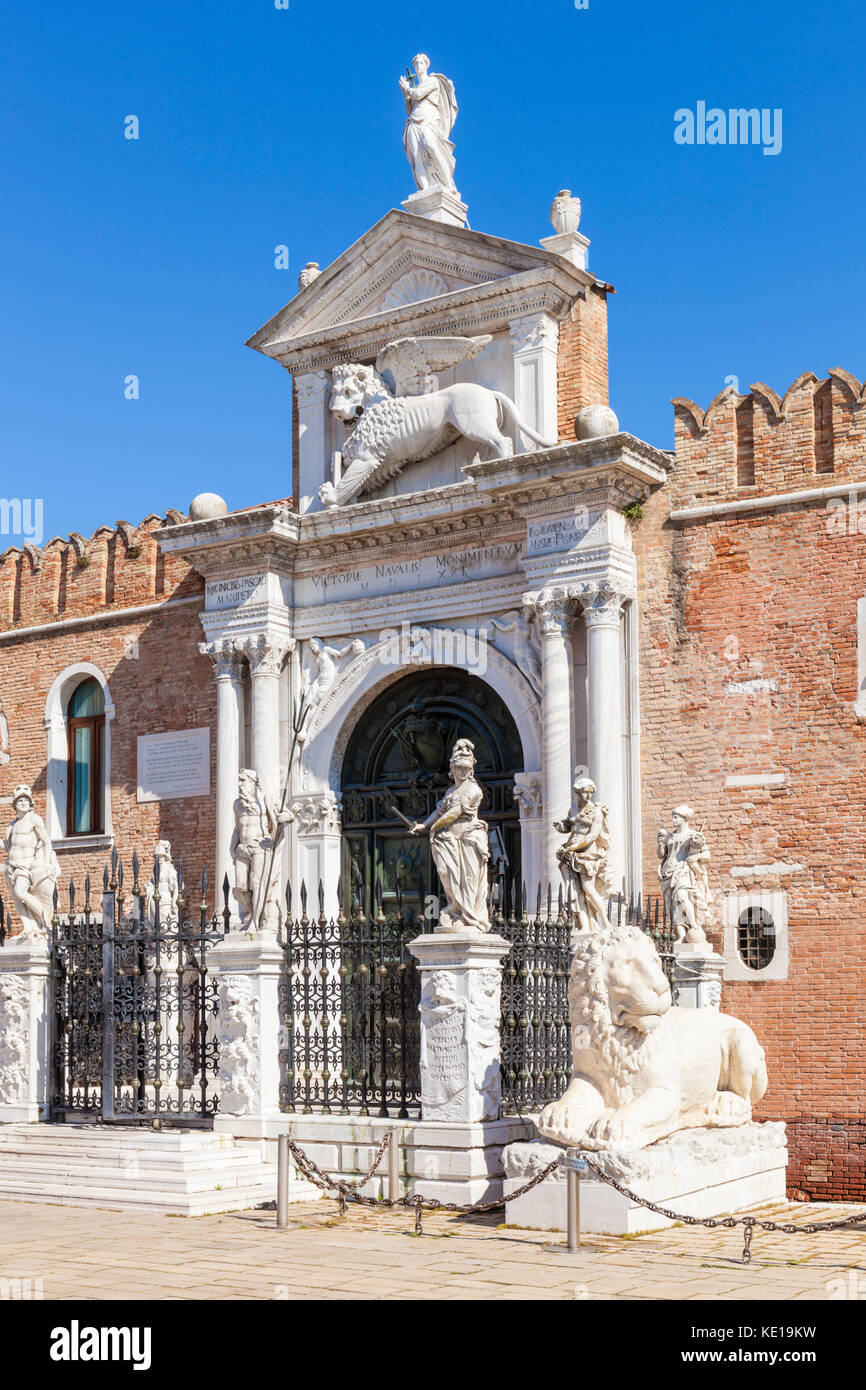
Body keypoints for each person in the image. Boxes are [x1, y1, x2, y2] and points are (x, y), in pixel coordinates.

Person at [411, 739, 490, 932]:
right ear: (452, 769)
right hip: (450, 840)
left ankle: (468, 916)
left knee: (469, 881)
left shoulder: (473, 789)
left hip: (469, 839)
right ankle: (455, 907)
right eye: (459, 768)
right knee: (446, 873)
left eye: (466, 768)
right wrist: (424, 825)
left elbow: (455, 812)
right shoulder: (450, 791)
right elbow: (440, 811)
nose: (463, 772)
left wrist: (435, 827)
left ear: (471, 770)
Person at [555, 775, 613, 933]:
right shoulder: (574, 809)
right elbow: (571, 827)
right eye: (584, 792)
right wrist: (562, 827)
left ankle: (606, 922)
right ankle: (585, 926)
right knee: (576, 890)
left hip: (587, 854)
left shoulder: (596, 812)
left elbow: (592, 835)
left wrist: (573, 847)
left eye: (590, 792)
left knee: (589, 888)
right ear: (577, 793)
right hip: (571, 853)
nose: (587, 796)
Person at [3, 785, 60, 938]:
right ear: (15, 804)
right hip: (11, 866)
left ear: (30, 803)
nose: (23, 803)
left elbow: (46, 841)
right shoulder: (11, 825)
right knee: (18, 901)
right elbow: (8, 846)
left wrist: (47, 862)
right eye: (20, 800)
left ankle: (47, 920)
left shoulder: (34, 819)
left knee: (20, 892)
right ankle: (28, 927)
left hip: (25, 865)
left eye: (26, 800)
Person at [399, 54, 459, 194]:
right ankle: (425, 188)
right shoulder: (415, 87)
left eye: (421, 63)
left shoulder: (433, 81)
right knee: (415, 153)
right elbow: (409, 110)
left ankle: (448, 183)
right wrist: (406, 96)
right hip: (414, 120)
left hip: (428, 117)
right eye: (416, 64)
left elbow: (419, 94)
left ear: (427, 65)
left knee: (430, 145)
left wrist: (407, 89)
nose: (419, 66)